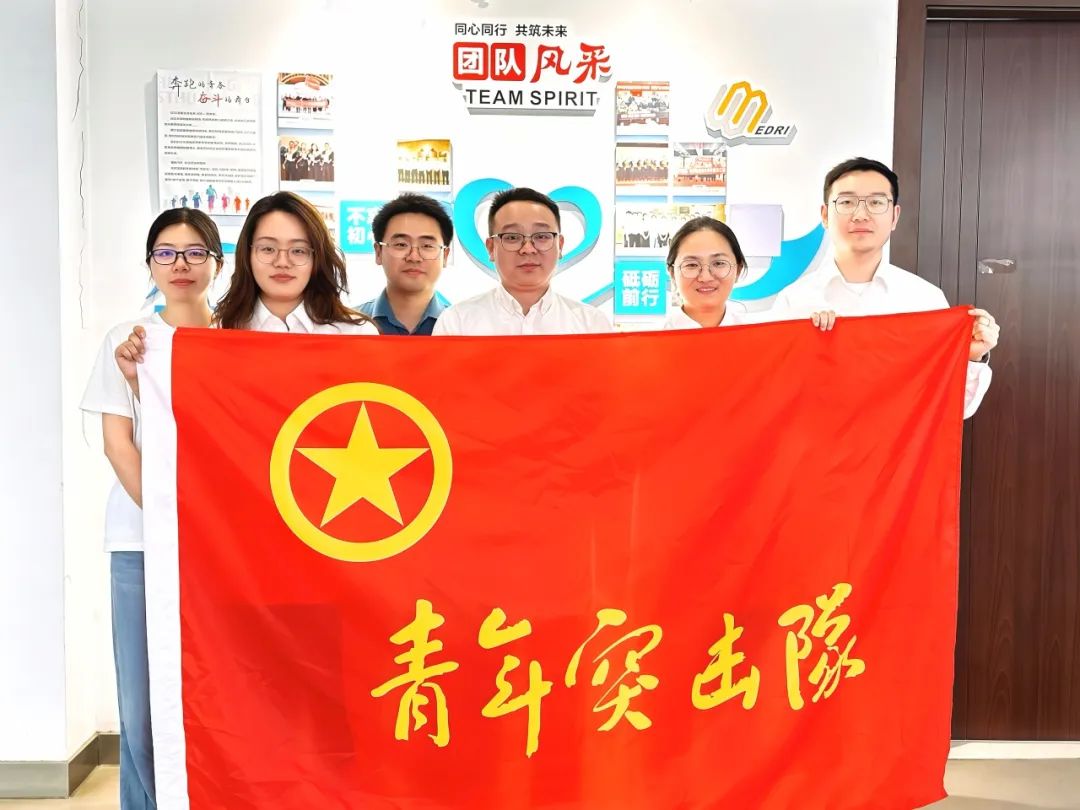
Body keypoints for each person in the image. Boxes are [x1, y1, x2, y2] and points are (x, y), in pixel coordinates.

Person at [82, 208, 223, 810]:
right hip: (143, 543)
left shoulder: (240, 337)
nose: (180, 265)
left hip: (227, 550)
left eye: (195, 253)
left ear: (218, 263)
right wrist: (172, 522)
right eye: (166, 253)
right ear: (150, 265)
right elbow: (120, 444)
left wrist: (210, 528)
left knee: (217, 699)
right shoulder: (130, 339)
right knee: (141, 708)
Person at [771, 157, 999, 418]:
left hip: (900, 445)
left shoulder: (925, 300)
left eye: (876, 202)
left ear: (894, 216)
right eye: (846, 202)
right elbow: (774, 399)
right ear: (825, 215)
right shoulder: (793, 302)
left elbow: (950, 409)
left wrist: (971, 357)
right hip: (816, 441)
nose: (860, 214)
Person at [433, 187, 611, 335]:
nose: (528, 249)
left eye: (541, 236)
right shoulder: (457, 323)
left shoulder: (592, 326)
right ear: (491, 248)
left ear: (560, 245)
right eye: (512, 237)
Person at [361, 193, 452, 335]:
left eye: (427, 246)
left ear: (445, 255)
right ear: (378, 252)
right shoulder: (348, 326)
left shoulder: (461, 327)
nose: (414, 257)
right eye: (401, 244)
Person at [663, 217, 754, 329]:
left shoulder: (761, 336)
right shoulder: (652, 338)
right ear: (672, 273)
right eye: (692, 265)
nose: (705, 277)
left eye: (719, 263)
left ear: (738, 270)